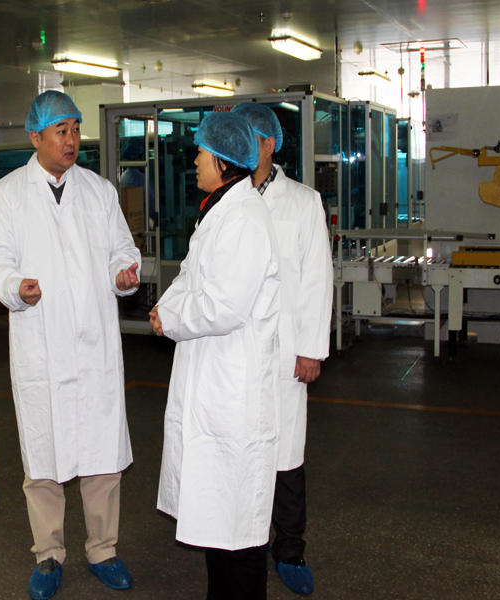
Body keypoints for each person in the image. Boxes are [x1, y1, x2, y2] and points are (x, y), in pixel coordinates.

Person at [0, 90, 141, 600]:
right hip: (42, 345)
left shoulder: (99, 191)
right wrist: (15, 287)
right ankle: (48, 554)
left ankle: (103, 549)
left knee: (101, 456)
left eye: (75, 129)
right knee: (43, 459)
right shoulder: (9, 193)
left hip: (93, 346)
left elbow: (122, 248)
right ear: (35, 137)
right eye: (61, 131)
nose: (72, 140)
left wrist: (123, 273)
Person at [150, 111, 281, 600]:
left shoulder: (244, 219)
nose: (196, 162)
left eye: (201, 154)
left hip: (232, 393)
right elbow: (190, 277)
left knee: (237, 533)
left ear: (224, 161)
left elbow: (224, 306)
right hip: (212, 382)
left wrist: (171, 319)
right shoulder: (220, 211)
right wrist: (165, 309)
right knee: (218, 527)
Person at [232, 101, 333, 596]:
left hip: (286, 350)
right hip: (236, 351)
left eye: (246, 138)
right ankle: (242, 541)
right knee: (240, 452)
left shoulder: (303, 202)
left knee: (287, 456)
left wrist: (311, 349)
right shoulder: (226, 199)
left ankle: (290, 549)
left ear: (268, 144)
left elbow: (317, 279)